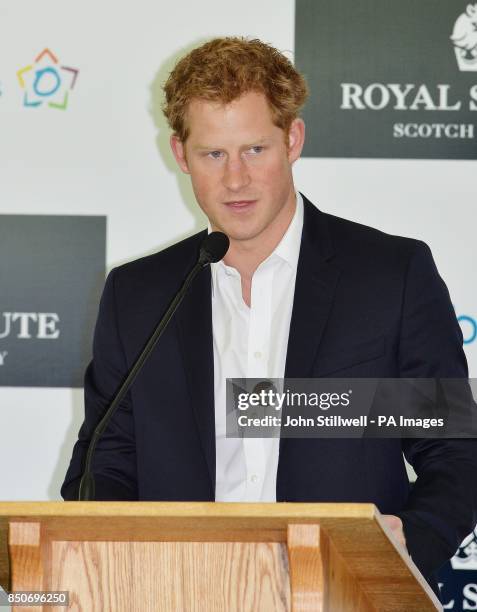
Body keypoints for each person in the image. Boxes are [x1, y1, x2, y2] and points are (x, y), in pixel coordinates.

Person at [62, 37, 477, 595]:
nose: (235, 180)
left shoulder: (388, 277)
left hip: (341, 593)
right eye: (213, 154)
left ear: (293, 139)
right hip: (178, 595)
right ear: (181, 155)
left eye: (255, 149)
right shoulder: (139, 295)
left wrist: (408, 548)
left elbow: (454, 449)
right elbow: (105, 463)